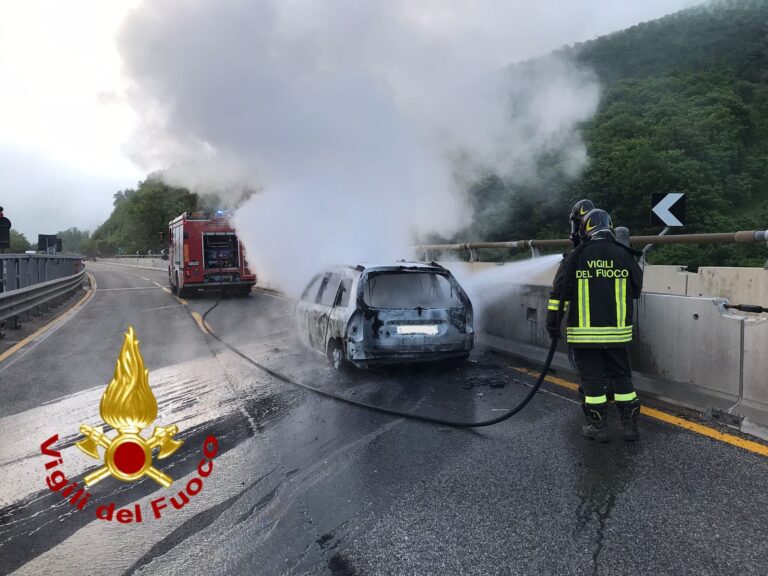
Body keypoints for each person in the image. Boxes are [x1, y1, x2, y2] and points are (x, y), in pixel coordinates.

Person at [547, 208, 643, 442]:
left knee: (592, 380)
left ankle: (598, 428)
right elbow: (636, 290)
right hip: (617, 333)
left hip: (584, 334)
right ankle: (629, 427)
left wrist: (553, 324)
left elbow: (559, 294)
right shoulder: (625, 254)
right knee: (622, 377)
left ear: (585, 228)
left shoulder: (576, 256)